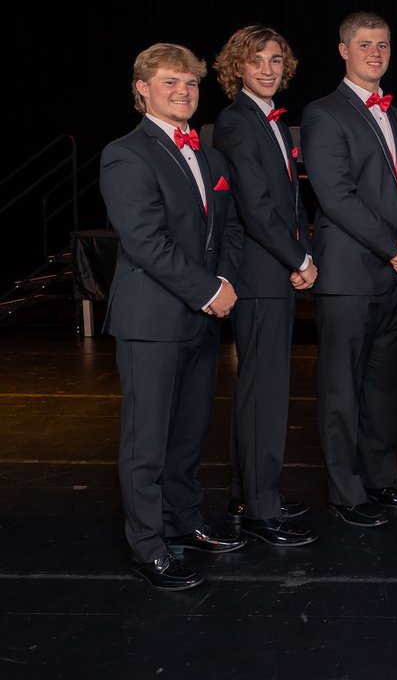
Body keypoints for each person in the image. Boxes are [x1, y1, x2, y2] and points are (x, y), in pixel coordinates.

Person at [100, 43, 246, 590]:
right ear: (142, 89)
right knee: (147, 442)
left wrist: (224, 282)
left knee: (189, 434)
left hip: (201, 318)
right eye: (170, 82)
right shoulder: (125, 154)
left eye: (190, 83)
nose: (183, 92)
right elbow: (146, 241)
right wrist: (209, 290)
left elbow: (229, 229)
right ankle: (149, 547)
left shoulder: (209, 155)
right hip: (152, 321)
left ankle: (183, 522)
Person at [302, 11, 397, 527]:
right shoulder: (323, 113)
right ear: (343, 50)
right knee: (341, 388)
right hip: (349, 276)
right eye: (365, 44)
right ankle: (346, 491)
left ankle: (381, 478)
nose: (375, 53)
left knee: (384, 387)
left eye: (383, 45)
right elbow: (336, 196)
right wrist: (393, 245)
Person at [211, 25, 317, 548]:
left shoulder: (267, 118)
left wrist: (300, 254)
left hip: (274, 271)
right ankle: (261, 508)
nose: (268, 69)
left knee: (258, 388)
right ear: (238, 67)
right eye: (257, 61)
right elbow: (255, 208)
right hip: (259, 275)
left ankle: (245, 493)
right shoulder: (236, 121)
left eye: (276, 60)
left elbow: (290, 202)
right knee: (265, 393)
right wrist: (300, 258)